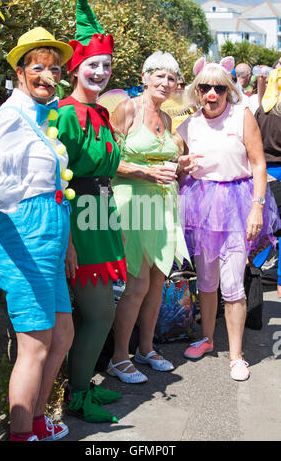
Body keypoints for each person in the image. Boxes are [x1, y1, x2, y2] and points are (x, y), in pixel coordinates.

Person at [0, 27, 74, 441]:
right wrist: (3, 203)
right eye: (37, 67)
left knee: (62, 335)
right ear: (20, 72)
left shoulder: (43, 117)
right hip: (24, 238)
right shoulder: (10, 117)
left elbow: (55, 187)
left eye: (54, 69)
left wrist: (68, 243)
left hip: (52, 238)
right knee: (35, 343)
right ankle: (22, 435)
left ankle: (37, 421)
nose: (47, 75)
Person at [177, 56, 281, 381]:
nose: (212, 93)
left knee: (233, 282)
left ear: (229, 90)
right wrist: (180, 165)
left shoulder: (242, 115)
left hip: (237, 204)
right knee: (206, 281)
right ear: (197, 90)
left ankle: (237, 356)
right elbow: (175, 164)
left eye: (219, 87)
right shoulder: (189, 124)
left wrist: (257, 207)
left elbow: (259, 164)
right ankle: (207, 339)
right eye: (205, 87)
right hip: (200, 206)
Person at [50, 0, 126, 422]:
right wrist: (67, 242)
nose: (100, 71)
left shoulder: (101, 114)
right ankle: (76, 398)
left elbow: (110, 169)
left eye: (107, 65)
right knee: (99, 314)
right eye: (92, 64)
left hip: (101, 216)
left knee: (100, 311)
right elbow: (53, 181)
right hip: (76, 220)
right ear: (76, 69)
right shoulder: (63, 115)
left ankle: (82, 388)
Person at [107, 50, 192, 384]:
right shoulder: (127, 109)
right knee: (138, 282)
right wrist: (146, 173)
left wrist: (182, 165)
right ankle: (118, 357)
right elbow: (108, 162)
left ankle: (145, 349)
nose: (166, 83)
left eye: (172, 78)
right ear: (144, 78)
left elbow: (166, 166)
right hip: (132, 205)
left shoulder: (168, 120)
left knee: (159, 280)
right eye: (159, 75)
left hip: (164, 206)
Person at [255, 67, 281, 296]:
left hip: (264, 175)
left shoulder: (260, 111)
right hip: (275, 173)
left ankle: (256, 271)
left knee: (266, 229)